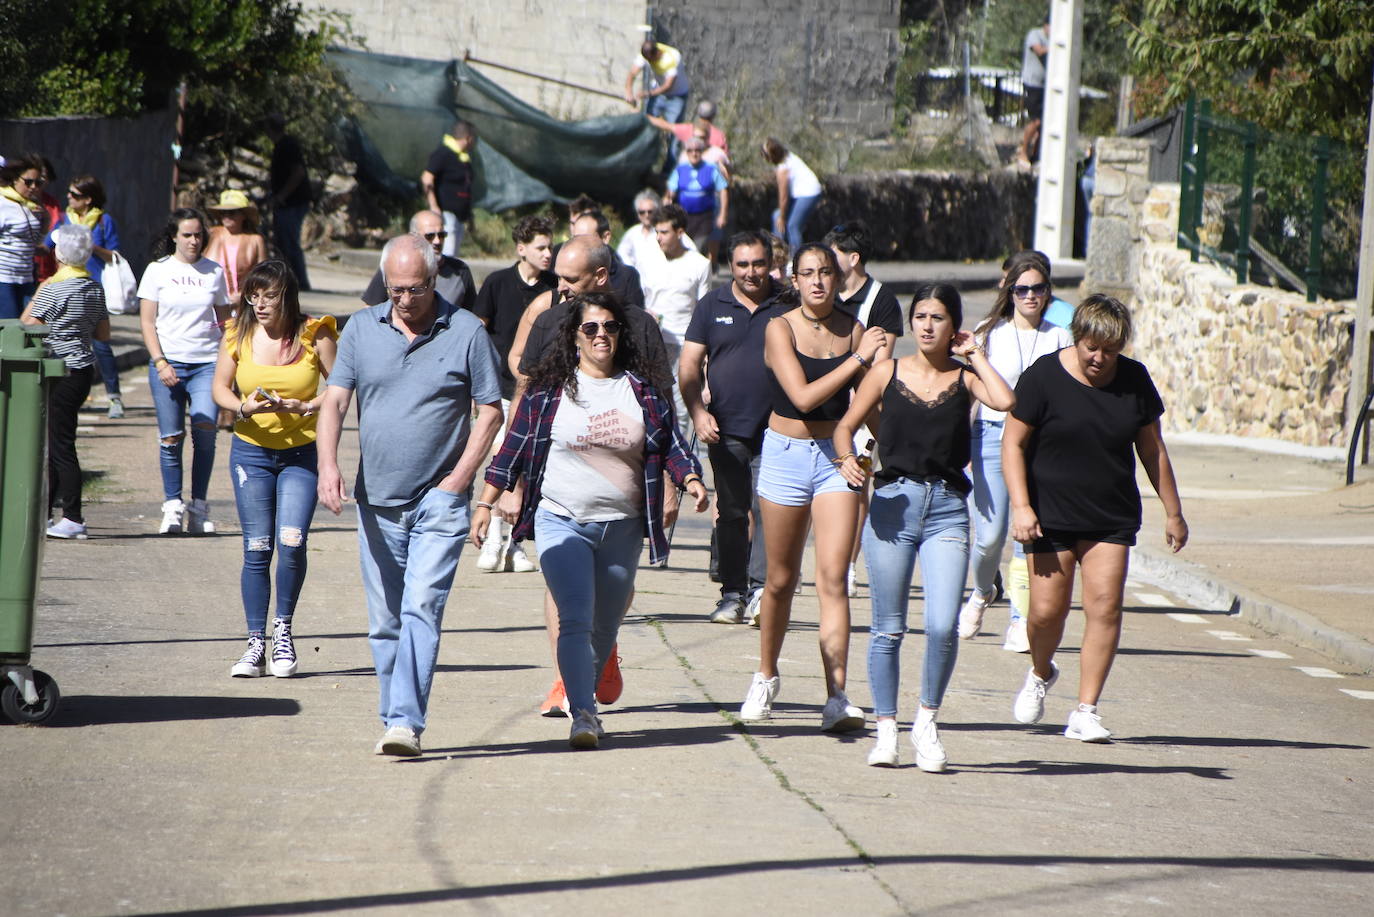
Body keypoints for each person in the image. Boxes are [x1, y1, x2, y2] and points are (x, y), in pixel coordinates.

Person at [474, 292, 707, 748]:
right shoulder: (548, 393)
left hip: (622, 525)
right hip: (561, 519)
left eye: (610, 327)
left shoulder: (640, 389)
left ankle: (585, 691)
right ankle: (583, 712)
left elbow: (670, 443)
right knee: (576, 619)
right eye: (591, 328)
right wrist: (485, 503)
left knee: (605, 627)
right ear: (575, 336)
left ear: (621, 334)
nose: (602, 335)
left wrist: (691, 480)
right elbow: (511, 450)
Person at [316, 232, 503, 757]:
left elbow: (490, 410)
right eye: (395, 290)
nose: (404, 299)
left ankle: (404, 723)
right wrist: (328, 465)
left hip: (438, 500)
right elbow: (333, 404)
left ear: (434, 276)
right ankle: (392, 714)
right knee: (385, 621)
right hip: (376, 498)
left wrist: (460, 480)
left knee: (422, 606)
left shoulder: (465, 331)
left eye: (415, 289)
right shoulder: (359, 329)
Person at [834, 283, 1014, 770]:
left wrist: (975, 353)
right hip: (893, 503)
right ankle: (887, 730)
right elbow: (844, 425)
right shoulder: (887, 372)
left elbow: (1005, 399)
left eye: (937, 318)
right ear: (910, 323)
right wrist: (847, 460)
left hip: (948, 509)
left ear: (952, 326)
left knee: (940, 626)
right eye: (920, 317)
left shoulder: (965, 378)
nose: (927, 326)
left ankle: (926, 724)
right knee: (887, 629)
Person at [1005, 294, 1188, 743]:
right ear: (1078, 338)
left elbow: (1152, 449)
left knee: (1105, 606)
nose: (1100, 358)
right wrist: (1022, 506)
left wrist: (1174, 512)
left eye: (1110, 350)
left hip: (1110, 515)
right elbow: (1013, 444)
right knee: (1046, 614)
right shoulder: (1043, 377)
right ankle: (1041, 671)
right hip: (1050, 514)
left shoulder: (1134, 380)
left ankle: (1086, 710)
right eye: (1092, 347)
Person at [509, 236, 673, 717]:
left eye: (569, 279)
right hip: (562, 492)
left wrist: (671, 485)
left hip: (622, 495)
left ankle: (603, 649)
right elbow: (529, 401)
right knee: (566, 592)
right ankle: (569, 681)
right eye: (556, 276)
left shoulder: (639, 327)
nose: (557, 287)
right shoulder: (549, 320)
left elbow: (661, 413)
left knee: (607, 600)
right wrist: (515, 482)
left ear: (600, 278)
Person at [738, 243, 886, 732]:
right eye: (808, 273)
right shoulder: (778, 327)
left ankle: (837, 696)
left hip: (837, 460)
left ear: (839, 276)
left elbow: (867, 402)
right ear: (795, 280)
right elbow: (801, 396)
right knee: (779, 580)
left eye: (826, 271)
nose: (818, 281)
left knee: (834, 578)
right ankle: (766, 676)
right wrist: (857, 360)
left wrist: (887, 451)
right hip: (784, 453)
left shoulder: (855, 330)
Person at [213, 260, 337, 679]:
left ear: (286, 295)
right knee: (257, 547)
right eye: (254, 295)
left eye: (269, 295)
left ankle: (283, 631)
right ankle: (254, 644)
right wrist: (243, 407)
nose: (260, 304)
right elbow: (219, 387)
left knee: (292, 540)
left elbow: (340, 389)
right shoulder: (238, 333)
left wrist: (307, 406)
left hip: (301, 455)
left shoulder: (314, 333)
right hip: (251, 455)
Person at [959, 251, 1073, 652]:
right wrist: (962, 446)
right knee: (988, 538)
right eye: (1021, 289)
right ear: (1009, 292)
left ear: (1047, 292)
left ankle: (1020, 620)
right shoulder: (989, 331)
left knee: (1030, 534)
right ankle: (981, 591)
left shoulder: (1060, 336)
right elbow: (972, 392)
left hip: (1039, 444)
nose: (1030, 296)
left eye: (1038, 289)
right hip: (989, 437)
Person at [680, 231, 783, 625]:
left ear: (770, 262)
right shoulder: (712, 305)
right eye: (743, 264)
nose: (751, 272)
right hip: (725, 430)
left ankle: (760, 592)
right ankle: (732, 594)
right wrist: (697, 412)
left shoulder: (788, 302)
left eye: (758, 263)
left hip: (779, 429)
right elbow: (688, 367)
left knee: (769, 511)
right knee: (732, 513)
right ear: (730, 266)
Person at [138, 207, 231, 535]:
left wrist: (231, 360)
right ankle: (172, 506)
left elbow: (225, 321)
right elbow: (148, 322)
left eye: (198, 235)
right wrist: (160, 362)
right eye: (187, 235)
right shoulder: (157, 271)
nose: (194, 241)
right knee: (171, 438)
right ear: (174, 236)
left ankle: (200, 507)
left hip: (206, 363)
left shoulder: (214, 272)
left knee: (205, 431)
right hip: (168, 363)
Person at [472, 214, 556, 574]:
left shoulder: (555, 287)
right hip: (501, 391)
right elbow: (477, 334)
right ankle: (493, 540)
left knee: (530, 469)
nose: (548, 254)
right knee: (504, 461)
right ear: (521, 249)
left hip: (539, 394)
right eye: (541, 247)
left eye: (551, 246)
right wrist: (479, 390)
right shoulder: (497, 283)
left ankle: (517, 544)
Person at [825, 220, 903, 595]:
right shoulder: (822, 294)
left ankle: (847, 564)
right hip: (823, 402)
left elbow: (882, 361)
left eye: (834, 255)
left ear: (853, 258)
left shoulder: (882, 301)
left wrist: (863, 395)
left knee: (856, 485)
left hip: (859, 407)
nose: (826, 264)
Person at [21, 223, 111, 540]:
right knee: (58, 442)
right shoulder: (94, 287)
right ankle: (46, 513)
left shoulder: (54, 288)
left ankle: (72, 516)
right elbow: (103, 334)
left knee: (59, 446)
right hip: (83, 370)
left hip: (59, 372)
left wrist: (39, 293)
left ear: (60, 254)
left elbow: (26, 326)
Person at [49, 174, 125, 418]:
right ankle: (65, 393)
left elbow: (114, 256)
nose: (69, 198)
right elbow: (48, 243)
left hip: (94, 289)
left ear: (88, 199)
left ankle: (114, 397)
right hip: (66, 287)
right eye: (69, 193)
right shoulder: (63, 219)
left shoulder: (104, 221)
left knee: (101, 345)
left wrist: (88, 246)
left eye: (75, 195)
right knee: (65, 341)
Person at [362, 210, 475, 312]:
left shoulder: (460, 270)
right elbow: (369, 312)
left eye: (441, 235)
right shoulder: (396, 266)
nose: (437, 241)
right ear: (413, 236)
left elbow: (472, 316)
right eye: (430, 236)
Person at [265, 112, 311, 291]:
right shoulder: (281, 146)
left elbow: (298, 173)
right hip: (286, 201)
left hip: (292, 203)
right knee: (282, 242)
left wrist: (281, 196)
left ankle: (300, 282)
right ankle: (288, 280)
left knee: (289, 242)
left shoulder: (287, 146)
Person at [625, 39, 692, 162]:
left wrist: (648, 93)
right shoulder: (646, 54)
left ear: (657, 53)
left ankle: (668, 172)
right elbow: (632, 73)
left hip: (676, 97)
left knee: (674, 132)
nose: (650, 63)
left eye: (651, 60)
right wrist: (629, 92)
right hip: (657, 94)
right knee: (647, 126)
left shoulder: (672, 58)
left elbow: (668, 86)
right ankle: (643, 163)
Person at [0, 154, 49, 320]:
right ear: (14, 179)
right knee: (9, 330)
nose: (34, 187)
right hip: (4, 277)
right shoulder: (3, 203)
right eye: (28, 182)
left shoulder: (31, 204)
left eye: (38, 183)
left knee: (27, 328)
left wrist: (45, 217)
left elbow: (36, 237)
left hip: (26, 277)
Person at [665, 138, 729, 261]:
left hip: (705, 217)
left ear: (702, 152)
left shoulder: (711, 168)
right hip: (685, 216)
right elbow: (671, 189)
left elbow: (723, 190)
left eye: (697, 150)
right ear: (686, 152)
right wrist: (668, 199)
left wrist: (723, 214)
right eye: (690, 150)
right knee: (684, 247)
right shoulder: (680, 169)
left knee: (697, 247)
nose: (694, 153)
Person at [420, 120, 476, 258]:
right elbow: (427, 178)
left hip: (459, 216)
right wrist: (433, 206)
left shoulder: (463, 158)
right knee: (447, 255)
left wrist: (469, 216)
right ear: (468, 138)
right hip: (446, 215)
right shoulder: (444, 153)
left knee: (453, 257)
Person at [570, 209, 645, 310]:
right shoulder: (566, 273)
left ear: (605, 237)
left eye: (585, 239)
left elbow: (636, 319)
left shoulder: (627, 276)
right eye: (575, 239)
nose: (578, 245)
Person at [204, 189, 269, 304]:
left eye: (232, 212)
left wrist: (244, 296)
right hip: (209, 301)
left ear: (243, 215)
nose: (227, 216)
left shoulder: (256, 240)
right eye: (223, 213)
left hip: (242, 305)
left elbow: (263, 276)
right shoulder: (210, 235)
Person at [762, 138, 822, 251]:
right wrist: (780, 217)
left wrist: (783, 217)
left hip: (809, 193)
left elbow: (783, 197)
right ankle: (778, 251)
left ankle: (795, 259)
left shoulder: (783, 168)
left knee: (792, 226)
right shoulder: (788, 158)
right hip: (802, 194)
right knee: (776, 216)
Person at [617, 189, 697, 272]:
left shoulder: (668, 230)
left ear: (657, 211)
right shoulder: (632, 233)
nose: (646, 215)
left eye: (650, 211)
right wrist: (631, 270)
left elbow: (692, 250)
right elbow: (621, 253)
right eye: (642, 212)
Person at [1019, 12, 1050, 166]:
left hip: (1046, 86)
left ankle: (1036, 155)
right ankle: (1023, 152)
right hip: (1032, 84)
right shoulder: (1035, 34)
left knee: (1045, 123)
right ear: (1046, 25)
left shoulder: (1052, 40)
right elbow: (1038, 50)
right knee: (1036, 121)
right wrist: (1055, 48)